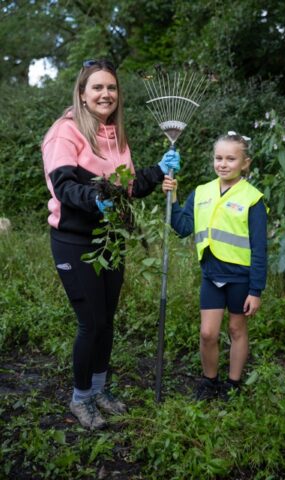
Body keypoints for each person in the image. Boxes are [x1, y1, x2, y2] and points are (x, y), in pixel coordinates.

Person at [41, 58, 180, 429]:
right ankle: (80, 399)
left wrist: (159, 170)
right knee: (91, 322)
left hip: (110, 240)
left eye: (112, 88)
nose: (106, 94)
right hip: (74, 240)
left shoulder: (115, 135)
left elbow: (129, 187)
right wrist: (93, 200)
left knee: (107, 322)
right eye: (98, 88)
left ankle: (100, 390)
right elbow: (64, 185)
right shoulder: (64, 133)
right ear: (83, 94)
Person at [162, 132, 267, 401]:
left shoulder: (252, 198)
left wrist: (255, 290)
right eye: (218, 158)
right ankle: (210, 382)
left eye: (231, 159)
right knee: (208, 333)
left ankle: (233, 384)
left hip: (240, 278)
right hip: (211, 274)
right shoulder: (201, 193)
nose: (223, 163)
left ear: (245, 163)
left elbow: (259, 249)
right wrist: (172, 199)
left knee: (236, 330)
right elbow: (184, 227)